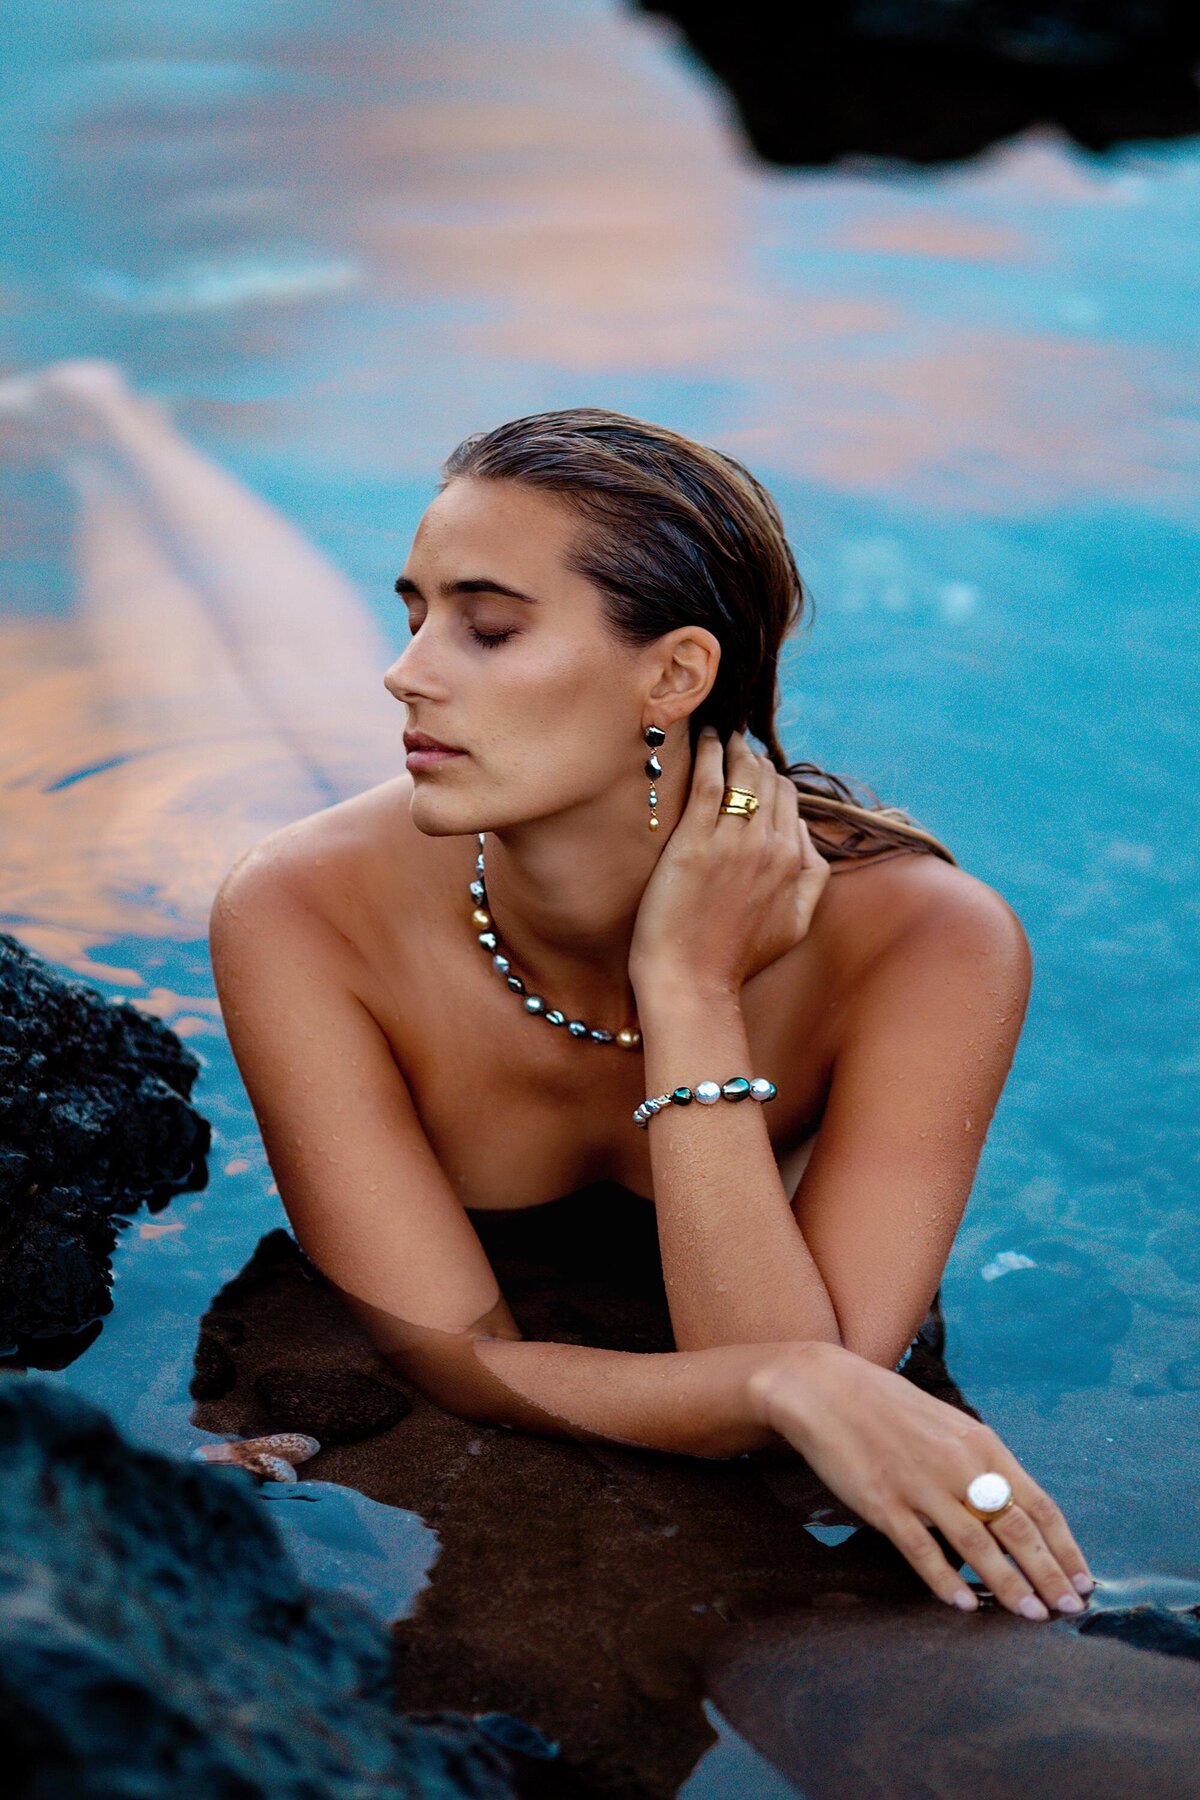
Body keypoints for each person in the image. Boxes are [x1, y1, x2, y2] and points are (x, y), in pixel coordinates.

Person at [203, 405, 1094, 1624]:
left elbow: (809, 1416)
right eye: (413, 613)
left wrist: (690, 986)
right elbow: (449, 1354)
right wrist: (782, 1379)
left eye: (490, 627)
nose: (405, 670)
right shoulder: (299, 909)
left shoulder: (930, 944)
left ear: (673, 673)